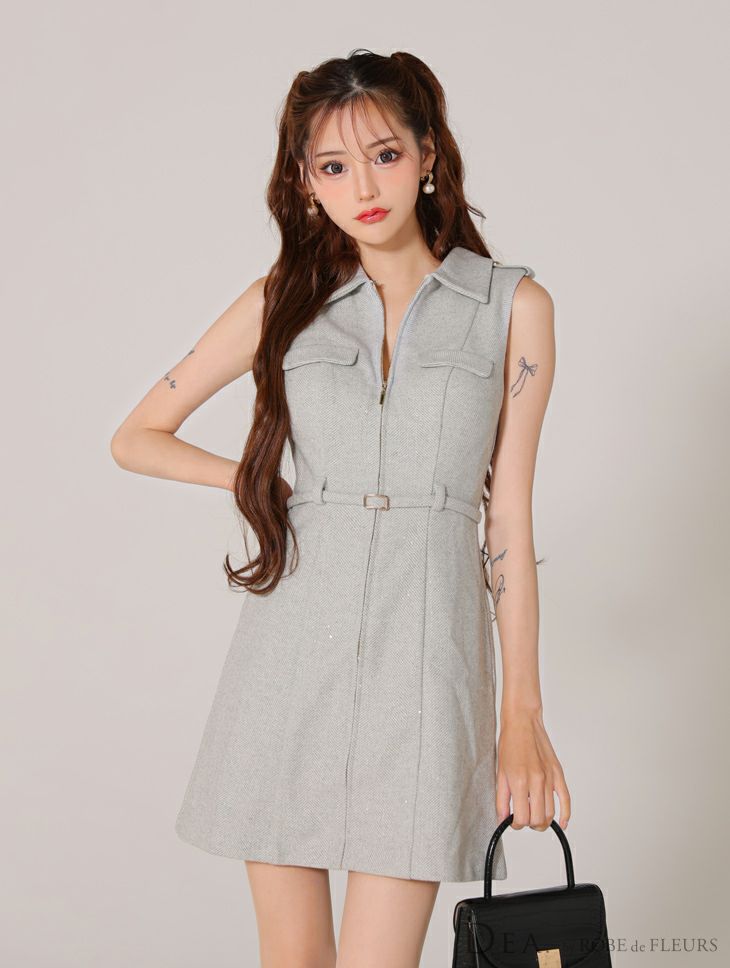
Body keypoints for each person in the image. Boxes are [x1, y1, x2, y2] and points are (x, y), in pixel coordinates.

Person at [111, 48, 569, 968]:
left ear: (428, 154)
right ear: (304, 181)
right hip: (289, 659)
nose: (362, 186)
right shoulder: (284, 299)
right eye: (332, 165)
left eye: (385, 154)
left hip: (429, 664)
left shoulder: (512, 307)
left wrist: (521, 711)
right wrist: (257, 482)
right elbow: (137, 436)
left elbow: (508, 521)